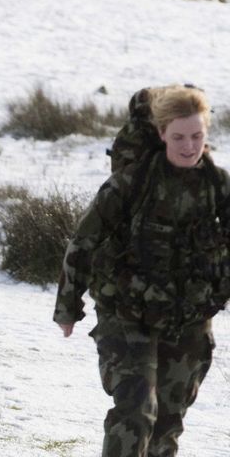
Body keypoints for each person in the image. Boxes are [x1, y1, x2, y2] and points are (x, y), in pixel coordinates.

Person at [54, 85, 229, 457]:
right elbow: (82, 243)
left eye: (197, 136)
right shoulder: (130, 184)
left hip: (189, 319)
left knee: (167, 423)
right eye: (179, 136)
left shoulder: (218, 186)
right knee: (135, 409)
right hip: (126, 314)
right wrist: (68, 307)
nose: (188, 146)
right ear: (162, 133)